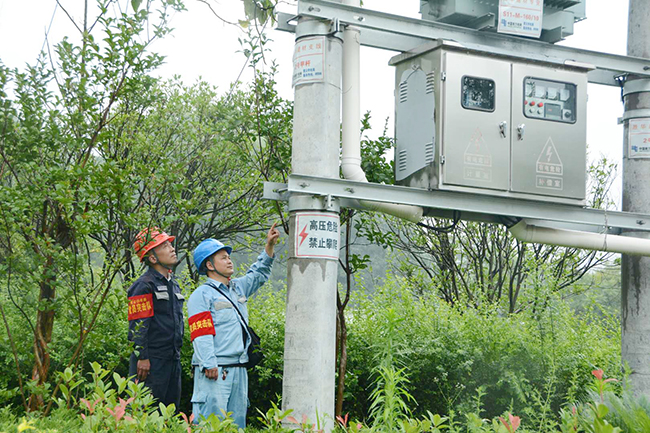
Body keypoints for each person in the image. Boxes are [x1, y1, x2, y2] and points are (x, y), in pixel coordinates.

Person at [188, 223, 280, 427]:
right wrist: (209, 363)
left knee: (237, 424)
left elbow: (259, 274)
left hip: (239, 369)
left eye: (228, 257)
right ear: (209, 265)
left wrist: (269, 246)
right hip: (215, 371)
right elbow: (201, 333)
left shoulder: (237, 288)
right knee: (212, 424)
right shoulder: (201, 295)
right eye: (223, 257)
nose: (229, 260)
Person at [127, 227, 184, 408]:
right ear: (152, 258)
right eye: (165, 246)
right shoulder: (143, 286)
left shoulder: (173, 284)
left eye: (170, 244)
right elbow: (138, 326)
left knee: (169, 413)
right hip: (151, 363)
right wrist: (142, 357)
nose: (172, 248)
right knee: (145, 412)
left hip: (172, 360)